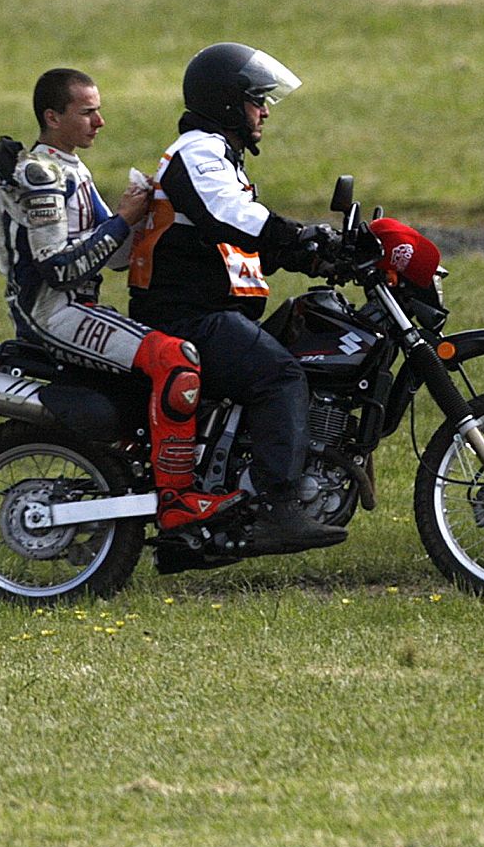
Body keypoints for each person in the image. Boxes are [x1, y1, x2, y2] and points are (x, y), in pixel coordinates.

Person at [0, 68, 244, 531]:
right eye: (88, 112)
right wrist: (122, 220)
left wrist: (153, 213)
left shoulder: (71, 169)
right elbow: (57, 268)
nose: (99, 122)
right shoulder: (42, 175)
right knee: (176, 360)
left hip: (77, 308)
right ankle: (177, 498)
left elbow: (116, 256)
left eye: (99, 110)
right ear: (52, 117)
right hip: (53, 313)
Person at [127, 42, 348, 557]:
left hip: (210, 313)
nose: (265, 111)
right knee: (280, 375)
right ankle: (278, 507)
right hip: (189, 319)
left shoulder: (219, 158)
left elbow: (240, 245)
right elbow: (229, 217)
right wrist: (302, 237)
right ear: (228, 104)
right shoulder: (197, 153)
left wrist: (319, 256)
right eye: (256, 101)